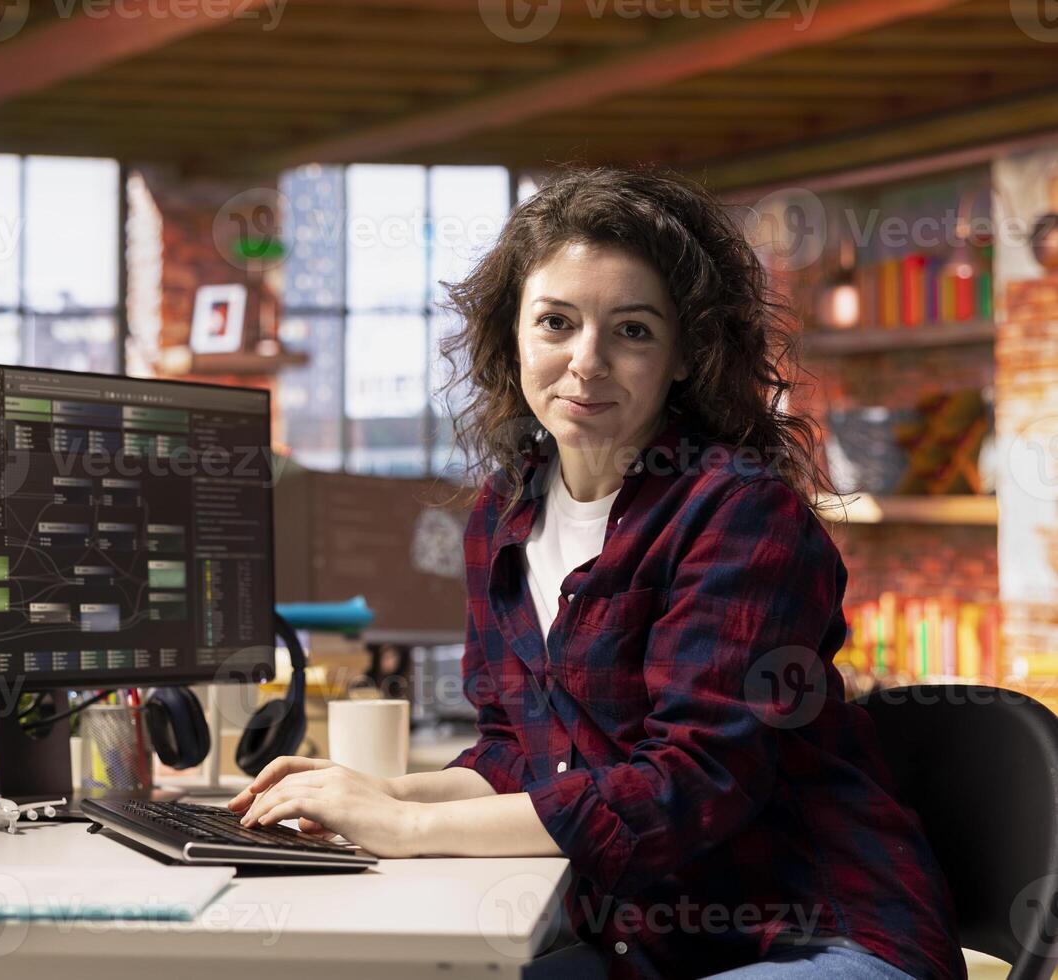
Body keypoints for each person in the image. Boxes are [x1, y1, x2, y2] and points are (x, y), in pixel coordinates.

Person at [227, 166, 966, 980]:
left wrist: (405, 828)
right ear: (514, 333)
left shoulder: (740, 515)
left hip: (822, 939)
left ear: (684, 356)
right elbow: (517, 754)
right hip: (649, 944)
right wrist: (378, 795)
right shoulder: (504, 515)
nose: (587, 362)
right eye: (557, 322)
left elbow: (692, 782)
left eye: (633, 330)